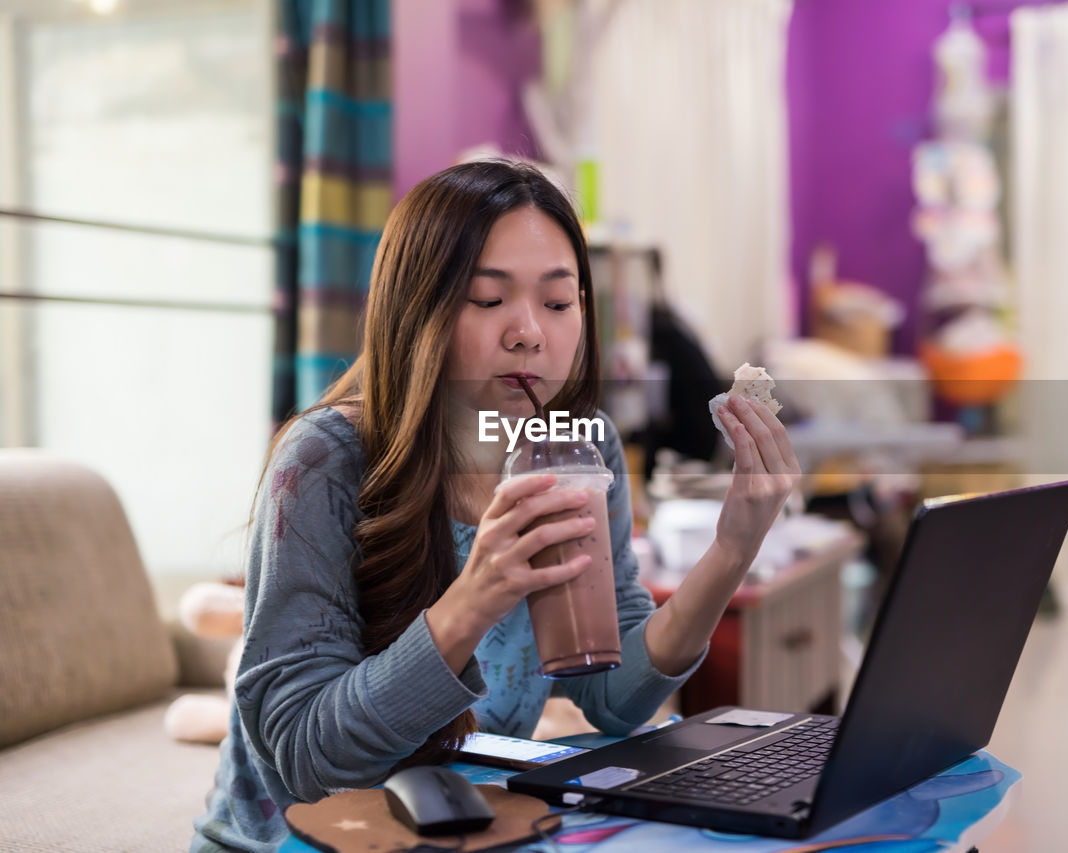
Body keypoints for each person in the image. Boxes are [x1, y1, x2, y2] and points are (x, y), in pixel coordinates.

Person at [191, 160, 801, 852]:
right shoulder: (324, 460)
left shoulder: (579, 445)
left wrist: (731, 550)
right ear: (418, 309)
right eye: (488, 300)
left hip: (471, 833)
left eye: (558, 300)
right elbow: (306, 760)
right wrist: (475, 597)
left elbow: (613, 697)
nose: (529, 332)